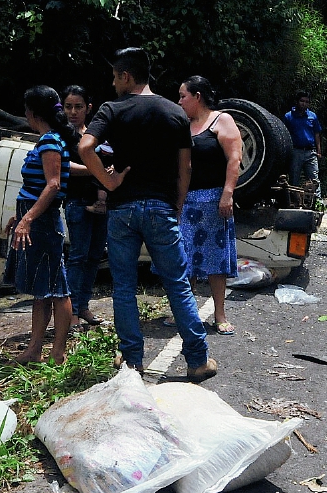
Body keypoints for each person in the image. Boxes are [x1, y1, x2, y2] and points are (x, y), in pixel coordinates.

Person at [80, 47, 217, 382]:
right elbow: (185, 168)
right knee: (177, 285)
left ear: (126, 76)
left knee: (124, 287)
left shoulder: (112, 109)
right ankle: (198, 360)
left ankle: (132, 361)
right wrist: (178, 206)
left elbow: (85, 147)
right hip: (161, 208)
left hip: (122, 210)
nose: (113, 84)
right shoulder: (175, 113)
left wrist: (109, 181)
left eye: (115, 77)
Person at [7, 86, 75, 364]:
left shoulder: (49, 141)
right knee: (41, 290)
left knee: (57, 289)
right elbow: (52, 177)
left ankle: (57, 353)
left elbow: (53, 184)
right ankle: (34, 350)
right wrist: (20, 215)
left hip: (44, 222)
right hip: (37, 217)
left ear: (33, 113)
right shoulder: (52, 140)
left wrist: (28, 218)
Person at [177, 76, 242, 335]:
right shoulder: (183, 124)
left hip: (213, 201)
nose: (179, 101)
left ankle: (220, 314)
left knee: (216, 261)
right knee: (184, 259)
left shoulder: (221, 120)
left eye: (183, 96)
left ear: (198, 96)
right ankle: (184, 312)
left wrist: (227, 193)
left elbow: (234, 158)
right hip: (186, 201)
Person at [62, 85, 109, 330]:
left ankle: (83, 306)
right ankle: (70, 313)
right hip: (77, 202)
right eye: (68, 106)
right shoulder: (62, 135)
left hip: (101, 203)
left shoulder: (95, 134)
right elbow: (65, 166)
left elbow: (110, 158)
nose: (73, 112)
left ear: (88, 108)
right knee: (78, 257)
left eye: (78, 107)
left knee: (94, 257)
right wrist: (96, 170)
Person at [284, 90, 323, 193]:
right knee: (294, 177)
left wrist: (319, 150)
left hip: (310, 151)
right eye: (302, 101)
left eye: (306, 102)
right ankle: (294, 199)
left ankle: (317, 199)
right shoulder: (289, 116)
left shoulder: (312, 116)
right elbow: (285, 135)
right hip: (296, 151)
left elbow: (317, 134)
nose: (304, 104)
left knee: (314, 177)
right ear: (297, 101)